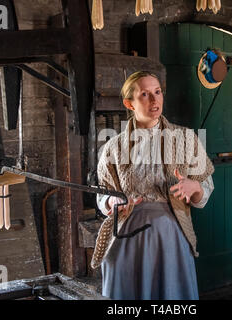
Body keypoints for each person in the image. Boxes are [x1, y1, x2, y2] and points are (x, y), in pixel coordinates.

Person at [92, 71, 215, 300]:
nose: (154, 100)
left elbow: (205, 189)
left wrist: (194, 188)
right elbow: (102, 195)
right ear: (129, 103)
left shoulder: (186, 139)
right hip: (126, 235)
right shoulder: (113, 148)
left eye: (157, 92)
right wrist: (111, 201)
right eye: (145, 95)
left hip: (171, 235)